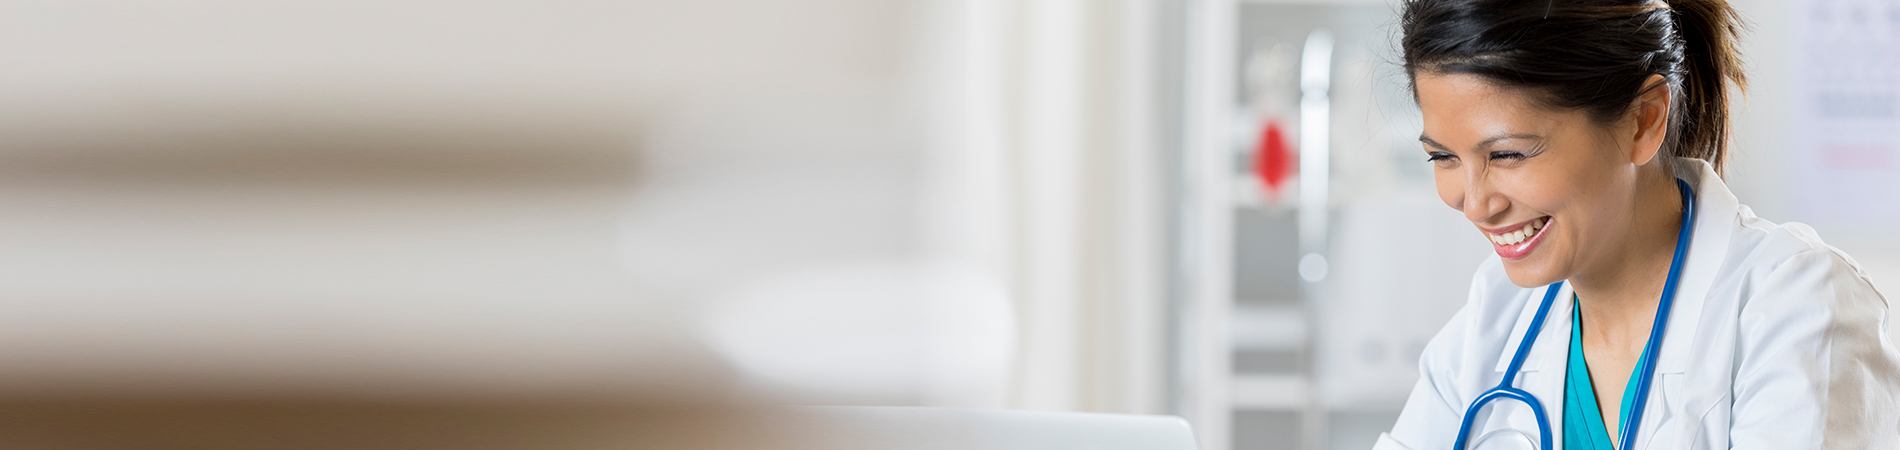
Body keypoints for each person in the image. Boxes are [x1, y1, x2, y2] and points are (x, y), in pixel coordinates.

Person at [1374, 0, 1900, 449]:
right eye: (1442, 157)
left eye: (1508, 154)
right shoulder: (1497, 317)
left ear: (1644, 120)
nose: (1474, 204)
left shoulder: (1795, 309)